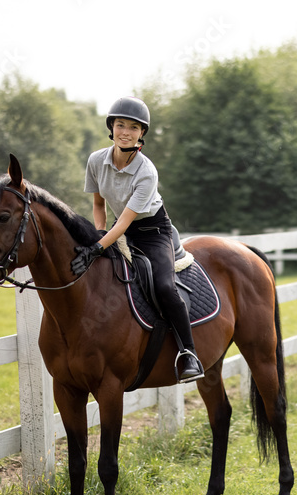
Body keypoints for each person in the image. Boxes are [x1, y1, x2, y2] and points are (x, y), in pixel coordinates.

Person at [70, 96, 205, 383]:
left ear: (141, 133)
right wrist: (98, 234)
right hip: (119, 229)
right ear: (111, 127)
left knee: (164, 286)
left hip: (153, 232)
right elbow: (98, 205)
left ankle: (189, 353)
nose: (126, 132)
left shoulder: (147, 171)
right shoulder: (96, 161)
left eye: (133, 127)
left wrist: (98, 246)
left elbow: (127, 220)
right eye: (120, 125)